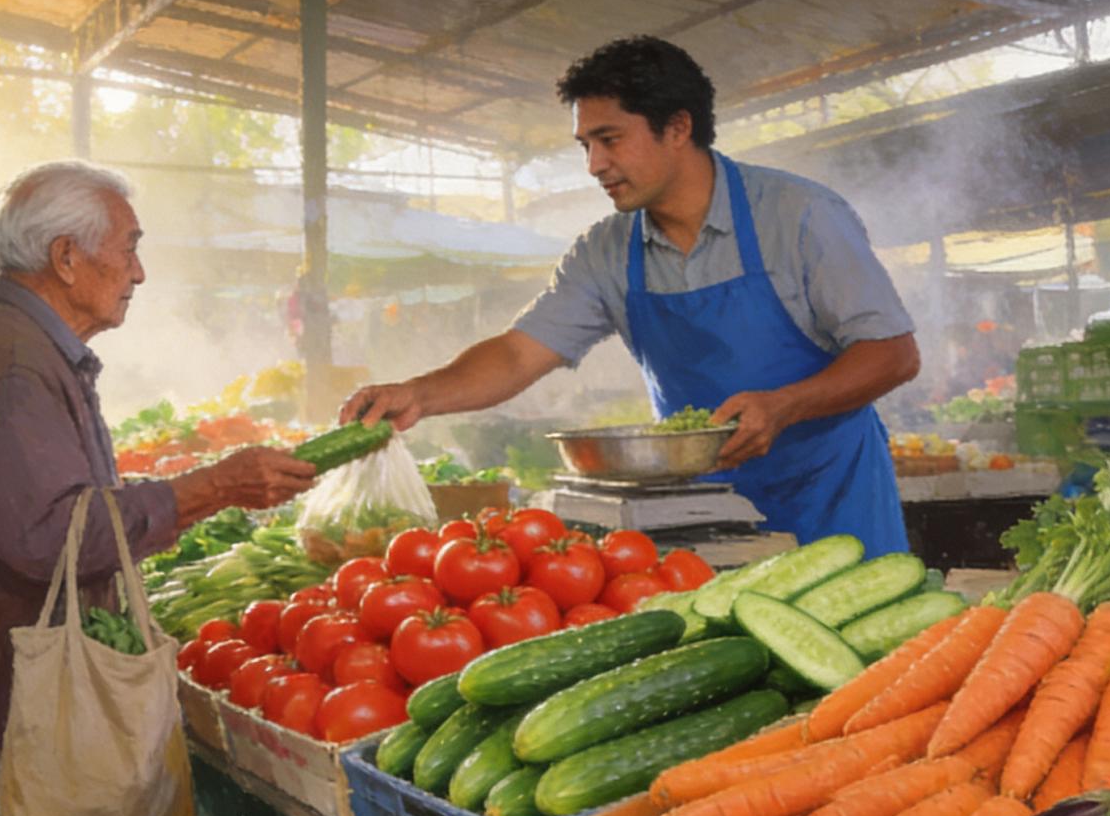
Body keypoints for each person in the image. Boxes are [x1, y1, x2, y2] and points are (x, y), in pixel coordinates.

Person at [0, 160, 318, 816]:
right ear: (66, 257)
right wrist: (208, 487)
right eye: (130, 246)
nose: (140, 271)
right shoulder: (11, 361)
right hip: (0, 713)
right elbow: (48, 536)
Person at [344, 37, 920, 556]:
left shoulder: (801, 216)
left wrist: (785, 405)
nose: (595, 165)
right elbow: (520, 353)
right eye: (585, 144)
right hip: (698, 524)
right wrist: (419, 393)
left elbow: (893, 353)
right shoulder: (606, 251)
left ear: (677, 127)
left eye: (609, 139)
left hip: (835, 512)